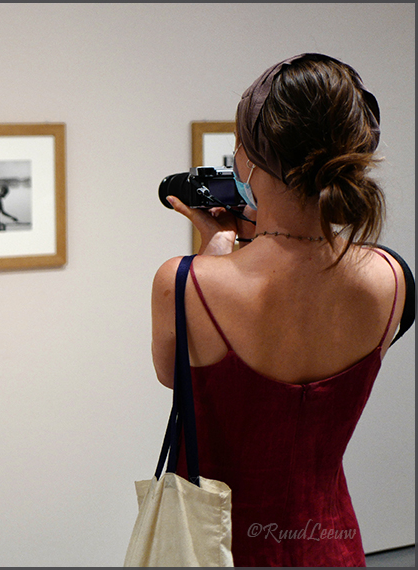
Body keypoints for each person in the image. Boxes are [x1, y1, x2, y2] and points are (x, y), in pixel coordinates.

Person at [151, 54, 408, 566]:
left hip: (219, 548)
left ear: (245, 158)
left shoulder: (183, 283)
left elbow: (173, 375)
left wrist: (213, 255)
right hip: (329, 543)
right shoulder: (391, 277)